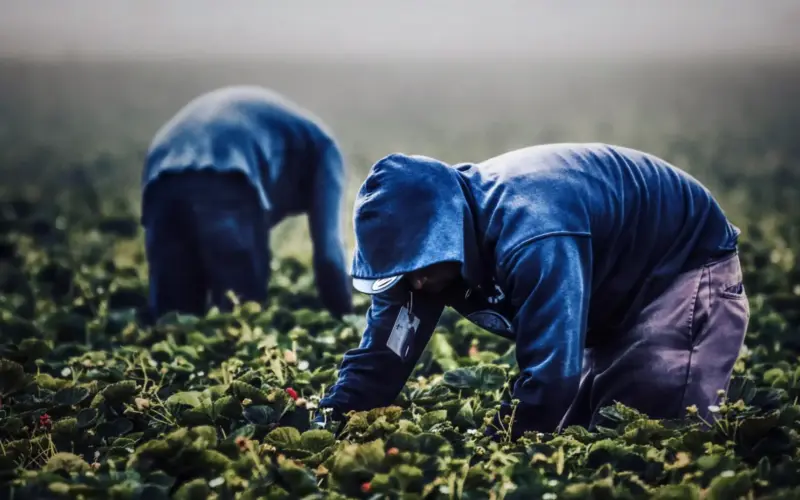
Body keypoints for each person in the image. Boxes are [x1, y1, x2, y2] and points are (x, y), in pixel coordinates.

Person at [317, 143, 749, 437]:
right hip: (607, 285)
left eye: (419, 266)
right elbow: (384, 355)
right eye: (401, 271)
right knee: (590, 430)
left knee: (655, 429)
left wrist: (497, 443)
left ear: (446, 234)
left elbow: (551, 373)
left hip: (680, 265)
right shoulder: (423, 268)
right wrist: (331, 419)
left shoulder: (533, 232)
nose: (415, 284)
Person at [140, 85, 352, 321]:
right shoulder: (327, 151)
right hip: (228, 171)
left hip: (161, 170)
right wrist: (345, 315)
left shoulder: (292, 135)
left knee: (172, 318)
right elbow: (329, 255)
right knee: (240, 312)